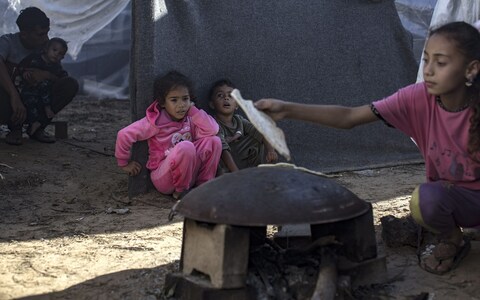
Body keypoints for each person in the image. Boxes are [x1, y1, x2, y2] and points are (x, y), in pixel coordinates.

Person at [254, 21, 480, 275]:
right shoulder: (416, 99)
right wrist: (287, 109)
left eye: (440, 63)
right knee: (425, 199)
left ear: (471, 69)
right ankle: (453, 239)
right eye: (425, 60)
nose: (428, 71)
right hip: (453, 199)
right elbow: (349, 117)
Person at [115, 71, 222, 200]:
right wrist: (124, 163)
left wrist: (193, 110)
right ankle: (180, 192)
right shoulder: (155, 122)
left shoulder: (191, 117)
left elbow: (213, 130)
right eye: (174, 100)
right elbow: (124, 134)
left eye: (185, 99)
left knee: (214, 141)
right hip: (164, 177)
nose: (181, 105)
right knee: (186, 147)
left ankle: (204, 186)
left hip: (189, 173)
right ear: (163, 103)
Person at [0, 7, 79, 145]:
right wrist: (14, 96)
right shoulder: (7, 42)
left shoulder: (46, 50)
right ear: (24, 34)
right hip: (8, 103)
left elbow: (60, 77)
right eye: (40, 34)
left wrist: (46, 75)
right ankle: (14, 129)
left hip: (36, 101)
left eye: (47, 33)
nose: (46, 39)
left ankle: (37, 127)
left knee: (70, 84)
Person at [209, 79, 278, 173]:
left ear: (237, 104)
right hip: (226, 164)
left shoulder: (239, 120)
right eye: (220, 95)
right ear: (212, 104)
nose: (226, 98)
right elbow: (223, 150)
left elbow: (260, 131)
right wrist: (236, 173)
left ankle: (255, 173)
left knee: (256, 139)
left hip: (241, 161)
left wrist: (271, 150)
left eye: (230, 96)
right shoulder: (213, 123)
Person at [13, 37, 69, 143]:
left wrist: (49, 76)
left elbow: (63, 77)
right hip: (30, 89)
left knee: (44, 84)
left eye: (61, 54)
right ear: (46, 49)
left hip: (45, 93)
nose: (57, 55)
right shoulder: (34, 58)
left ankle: (46, 110)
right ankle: (33, 123)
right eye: (55, 50)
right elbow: (21, 67)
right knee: (29, 101)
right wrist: (24, 73)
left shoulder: (56, 66)